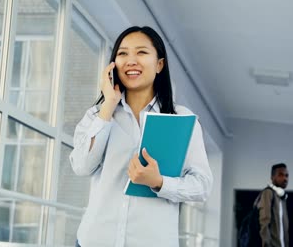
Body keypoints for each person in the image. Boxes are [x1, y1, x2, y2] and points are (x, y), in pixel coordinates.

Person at [69, 26, 213, 247]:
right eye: (123, 53)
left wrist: (159, 182)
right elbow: (81, 166)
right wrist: (108, 105)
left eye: (142, 53)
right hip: (95, 240)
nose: (131, 60)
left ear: (159, 65)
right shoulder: (97, 115)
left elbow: (202, 186)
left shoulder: (181, 119)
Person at [257, 163, 289, 247]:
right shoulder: (268, 193)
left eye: (286, 175)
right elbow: (264, 222)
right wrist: (266, 244)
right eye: (280, 175)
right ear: (272, 177)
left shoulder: (281, 197)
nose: (285, 178)